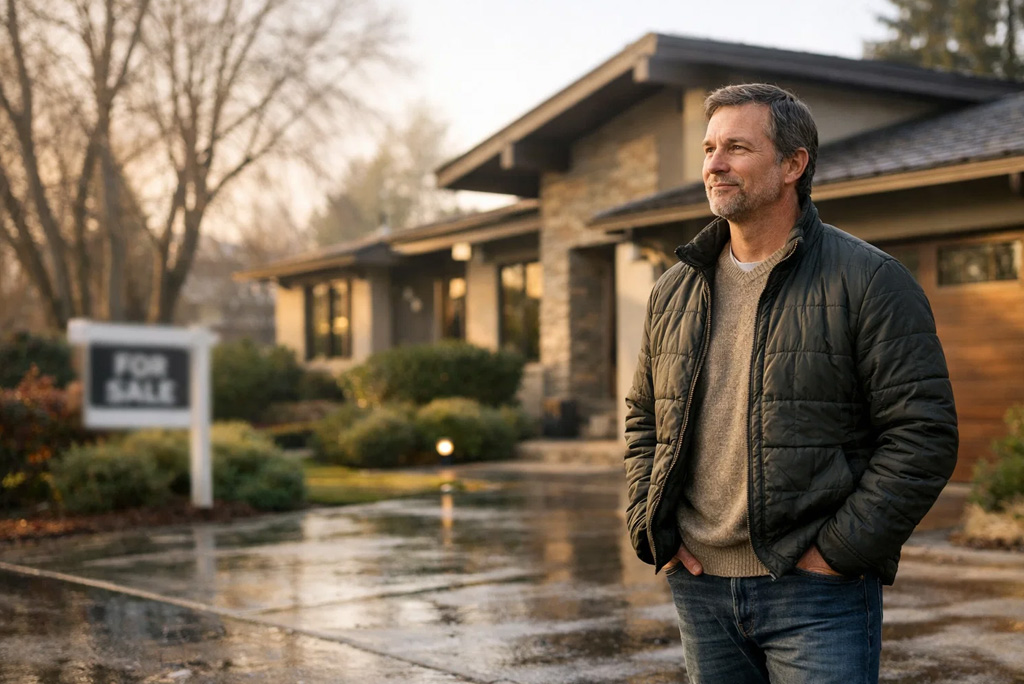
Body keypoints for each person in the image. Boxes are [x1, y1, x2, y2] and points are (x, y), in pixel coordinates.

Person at [622, 83, 958, 683]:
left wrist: (835, 555)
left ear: (793, 164)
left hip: (817, 596)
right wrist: (653, 529)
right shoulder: (675, 288)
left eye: (736, 148)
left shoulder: (871, 280)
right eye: (709, 148)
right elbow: (644, 418)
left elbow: (922, 435)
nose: (714, 164)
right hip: (700, 588)